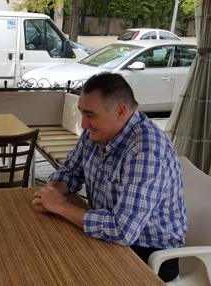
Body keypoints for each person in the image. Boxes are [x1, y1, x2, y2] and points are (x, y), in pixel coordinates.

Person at [32, 72, 186, 282]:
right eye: (82, 113)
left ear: (120, 111)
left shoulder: (146, 150)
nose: (84, 124)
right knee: (43, 254)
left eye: (90, 115)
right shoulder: (96, 133)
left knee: (60, 272)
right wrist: (50, 193)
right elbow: (71, 172)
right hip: (108, 234)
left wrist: (60, 206)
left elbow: (122, 230)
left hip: (147, 251)